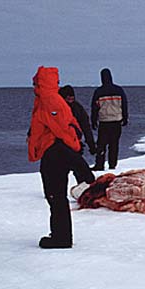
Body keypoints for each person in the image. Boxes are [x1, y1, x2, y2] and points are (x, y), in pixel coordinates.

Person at [27, 66, 95, 249]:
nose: (33, 84)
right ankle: (60, 234)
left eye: (36, 81)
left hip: (54, 152)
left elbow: (61, 128)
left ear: (42, 82)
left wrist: (73, 149)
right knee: (56, 196)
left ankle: (61, 237)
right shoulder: (48, 99)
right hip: (54, 150)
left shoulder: (50, 100)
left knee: (55, 196)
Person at [90, 68, 128, 171]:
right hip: (116, 121)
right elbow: (124, 105)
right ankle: (112, 165)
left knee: (101, 145)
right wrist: (125, 117)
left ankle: (99, 165)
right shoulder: (119, 90)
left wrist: (93, 121)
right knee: (114, 144)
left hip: (104, 121)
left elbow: (94, 107)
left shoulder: (99, 91)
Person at [59, 85, 96, 158]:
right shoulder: (58, 108)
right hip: (61, 141)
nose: (70, 100)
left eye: (72, 98)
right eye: (68, 98)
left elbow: (86, 126)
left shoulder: (77, 108)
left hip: (74, 140)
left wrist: (91, 144)